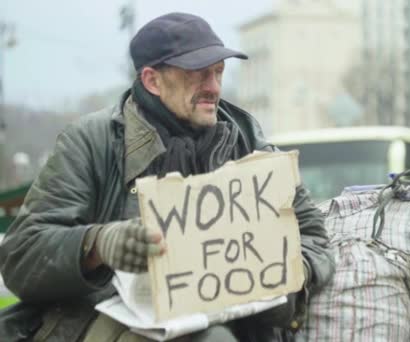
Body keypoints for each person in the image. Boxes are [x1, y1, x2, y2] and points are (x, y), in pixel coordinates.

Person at [0, 12, 334, 341]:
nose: (214, 88)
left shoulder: (247, 140)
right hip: (107, 320)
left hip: (233, 326)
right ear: (152, 81)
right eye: (198, 75)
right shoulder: (89, 141)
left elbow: (314, 238)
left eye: (218, 72)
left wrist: (287, 275)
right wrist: (97, 244)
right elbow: (20, 257)